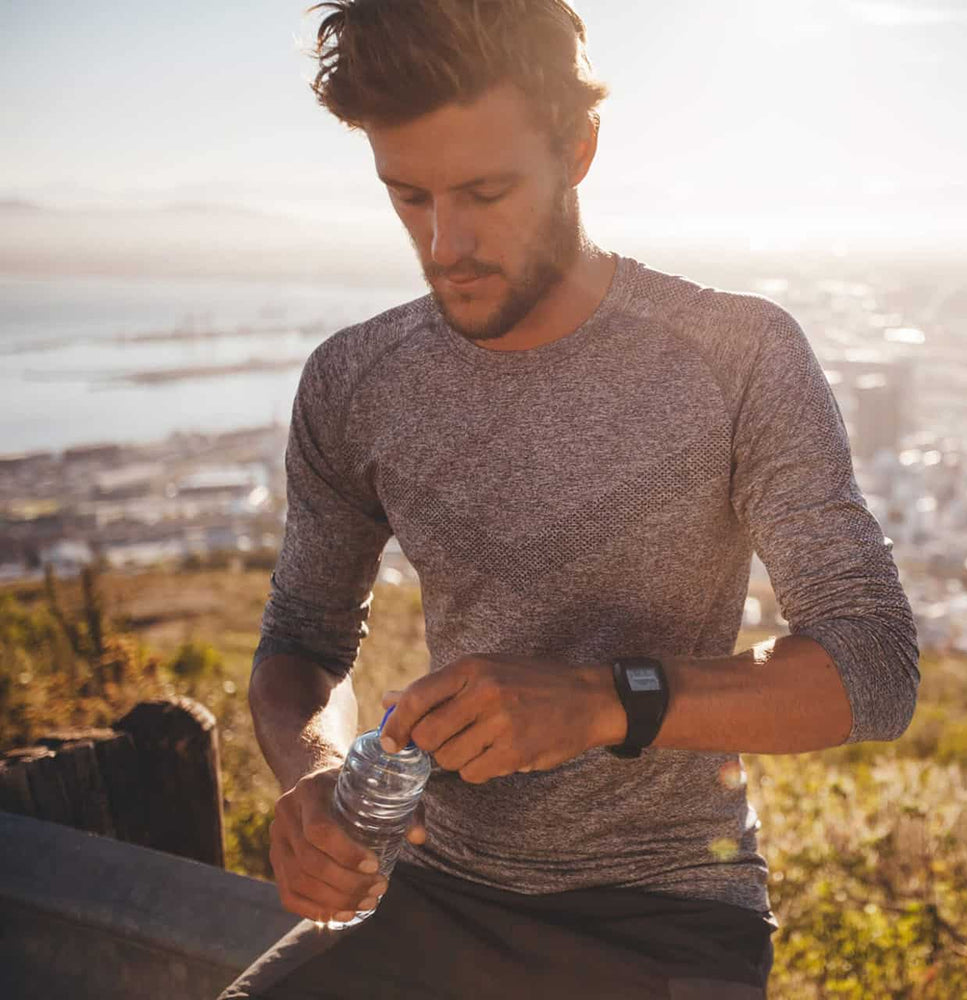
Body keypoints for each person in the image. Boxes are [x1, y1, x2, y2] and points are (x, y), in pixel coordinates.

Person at [219, 1, 919, 997]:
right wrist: (314, 770)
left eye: (486, 191)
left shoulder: (737, 355)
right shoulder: (355, 380)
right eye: (407, 194)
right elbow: (301, 640)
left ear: (578, 146)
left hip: (668, 908)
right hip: (433, 885)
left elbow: (875, 665)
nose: (444, 240)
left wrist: (601, 702)